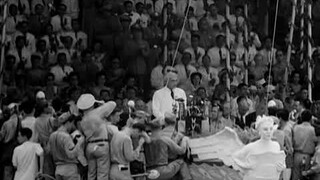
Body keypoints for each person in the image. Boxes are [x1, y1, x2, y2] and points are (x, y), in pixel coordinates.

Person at [232, 115, 286, 180]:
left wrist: (281, 167)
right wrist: (245, 167)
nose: (269, 132)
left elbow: (282, 162)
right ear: (259, 131)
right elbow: (235, 157)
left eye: (271, 129)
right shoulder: (252, 146)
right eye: (265, 129)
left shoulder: (276, 146)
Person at [48, 113, 84, 180]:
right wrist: (79, 143)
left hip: (58, 169)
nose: (73, 126)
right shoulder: (66, 136)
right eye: (72, 123)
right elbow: (71, 155)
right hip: (69, 169)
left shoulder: (52, 136)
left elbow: (49, 152)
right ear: (68, 122)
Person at [292, 110, 318, 180]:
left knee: (295, 176)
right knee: (305, 177)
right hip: (307, 156)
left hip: (296, 155)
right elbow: (316, 142)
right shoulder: (313, 130)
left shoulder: (295, 128)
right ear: (310, 119)